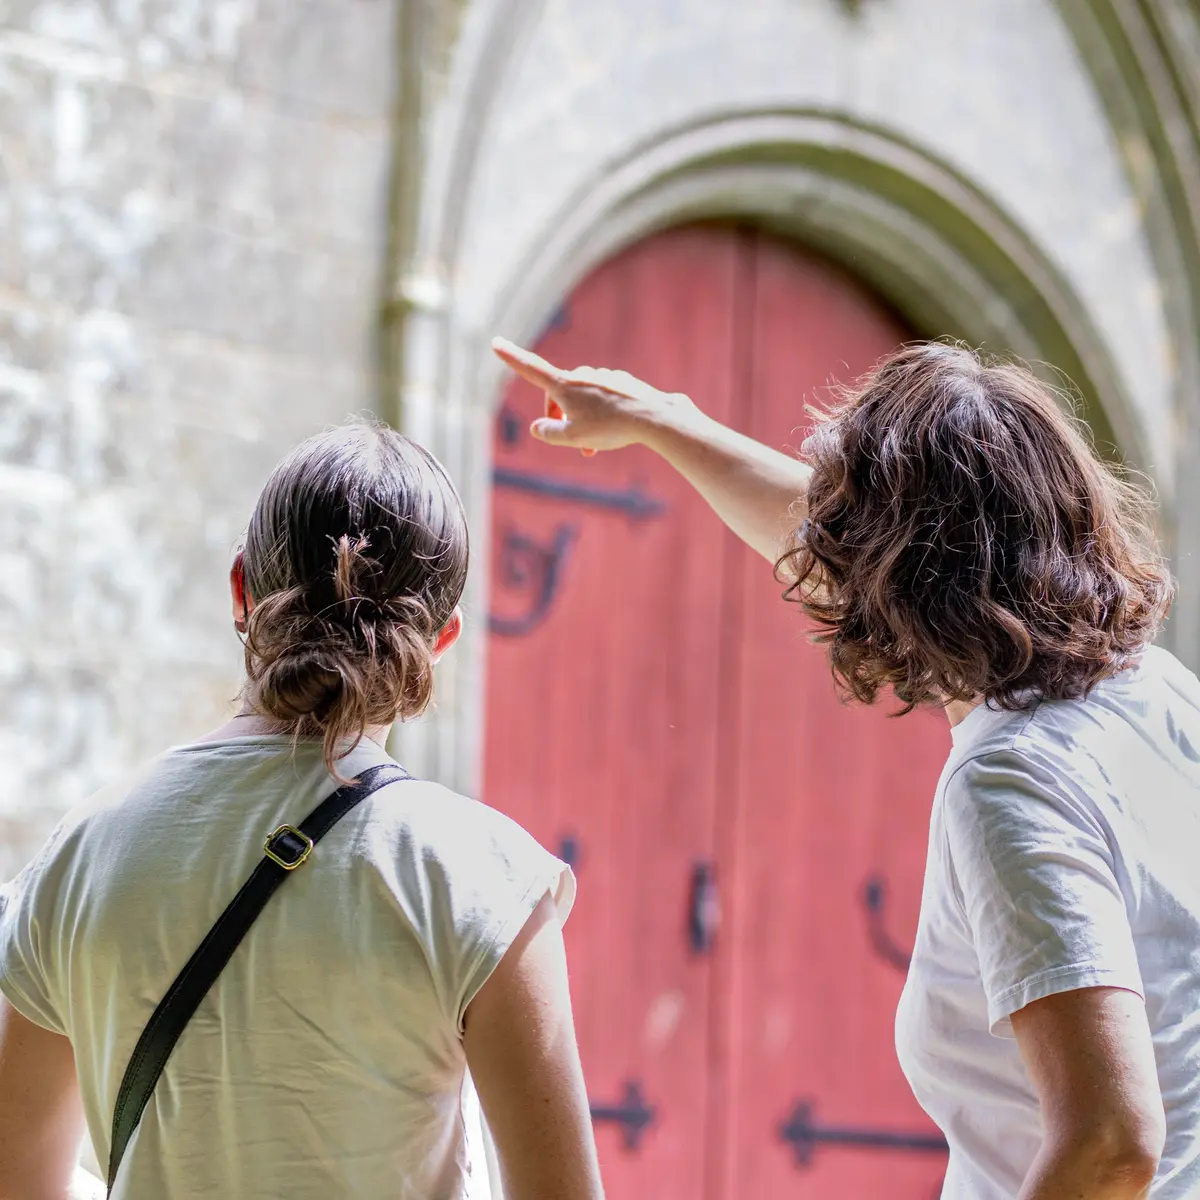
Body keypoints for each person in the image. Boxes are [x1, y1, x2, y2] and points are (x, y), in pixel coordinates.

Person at [491, 335, 1200, 1200]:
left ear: (901, 583)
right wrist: (667, 424)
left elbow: (1113, 1143)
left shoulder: (1014, 777)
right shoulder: (1158, 695)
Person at [0, 422, 604, 1200]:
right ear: (442, 638)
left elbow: (17, 1179)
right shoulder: (482, 877)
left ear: (240, 589)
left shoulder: (81, 855)